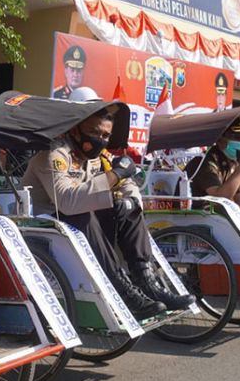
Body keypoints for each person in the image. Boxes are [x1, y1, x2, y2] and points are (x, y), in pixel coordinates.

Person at [22, 106, 195, 320]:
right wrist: (114, 176)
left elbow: (127, 182)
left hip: (79, 227)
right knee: (82, 213)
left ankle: (147, 281)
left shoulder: (98, 156)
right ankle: (121, 288)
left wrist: (129, 200)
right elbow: (66, 201)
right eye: (94, 133)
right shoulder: (55, 154)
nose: (100, 140)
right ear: (76, 130)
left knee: (128, 210)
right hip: (46, 225)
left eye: (105, 135)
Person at [186, 119, 240, 231]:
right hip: (197, 215)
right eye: (237, 138)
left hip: (215, 215)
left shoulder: (232, 162)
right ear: (219, 139)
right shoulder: (204, 161)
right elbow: (220, 197)